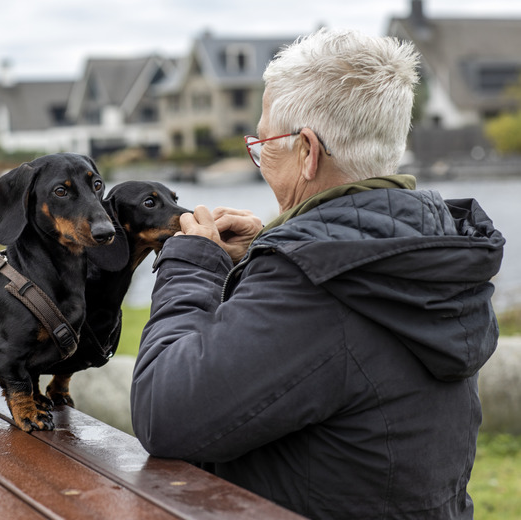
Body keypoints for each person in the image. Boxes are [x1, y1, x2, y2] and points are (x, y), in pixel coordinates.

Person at [129, 28, 505, 519]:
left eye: (264, 144)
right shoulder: (424, 252)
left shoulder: (315, 286)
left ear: (307, 151)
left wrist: (191, 263)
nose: (260, 160)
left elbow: (165, 412)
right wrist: (262, 252)